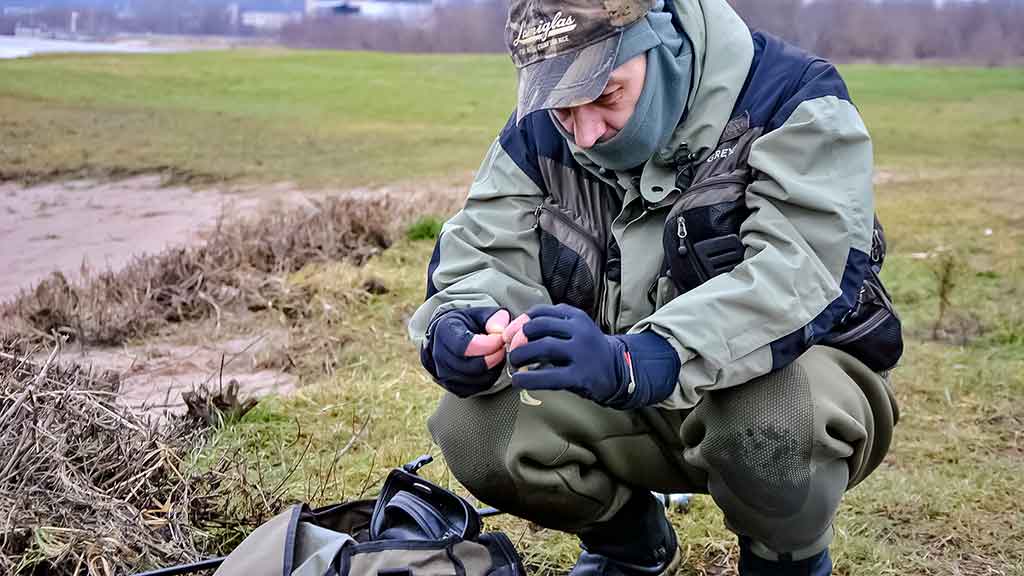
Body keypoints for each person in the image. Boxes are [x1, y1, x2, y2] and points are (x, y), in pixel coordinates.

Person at [408, 0, 903, 574]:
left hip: (794, 389)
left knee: (772, 416)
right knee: (474, 426)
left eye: (606, 95)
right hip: (622, 389)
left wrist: (647, 355)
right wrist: (460, 323)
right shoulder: (539, 131)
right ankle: (632, 549)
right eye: (564, 110)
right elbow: (478, 251)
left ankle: (785, 561)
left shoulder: (792, 97)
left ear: (660, 39)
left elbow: (802, 270)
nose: (586, 133)